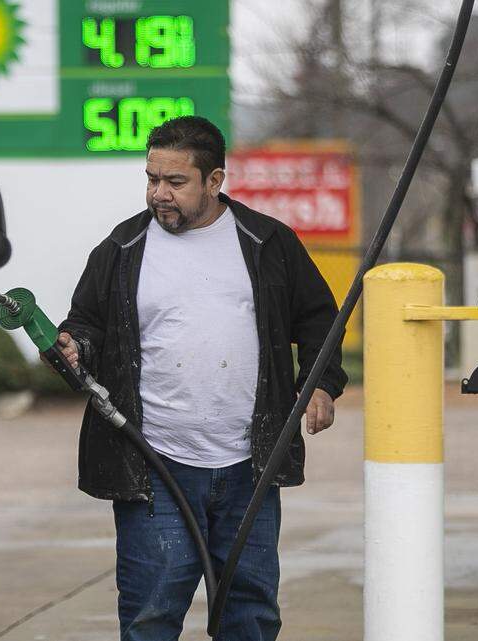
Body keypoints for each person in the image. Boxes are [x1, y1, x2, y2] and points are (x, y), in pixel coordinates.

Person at [56, 115, 348, 640]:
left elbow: (318, 317)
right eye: (152, 179)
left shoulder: (267, 243)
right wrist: (76, 347)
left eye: (175, 182)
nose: (159, 194)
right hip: (152, 460)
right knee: (150, 614)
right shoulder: (121, 250)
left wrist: (322, 383)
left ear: (215, 181)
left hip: (248, 463)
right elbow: (85, 324)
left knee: (251, 615)